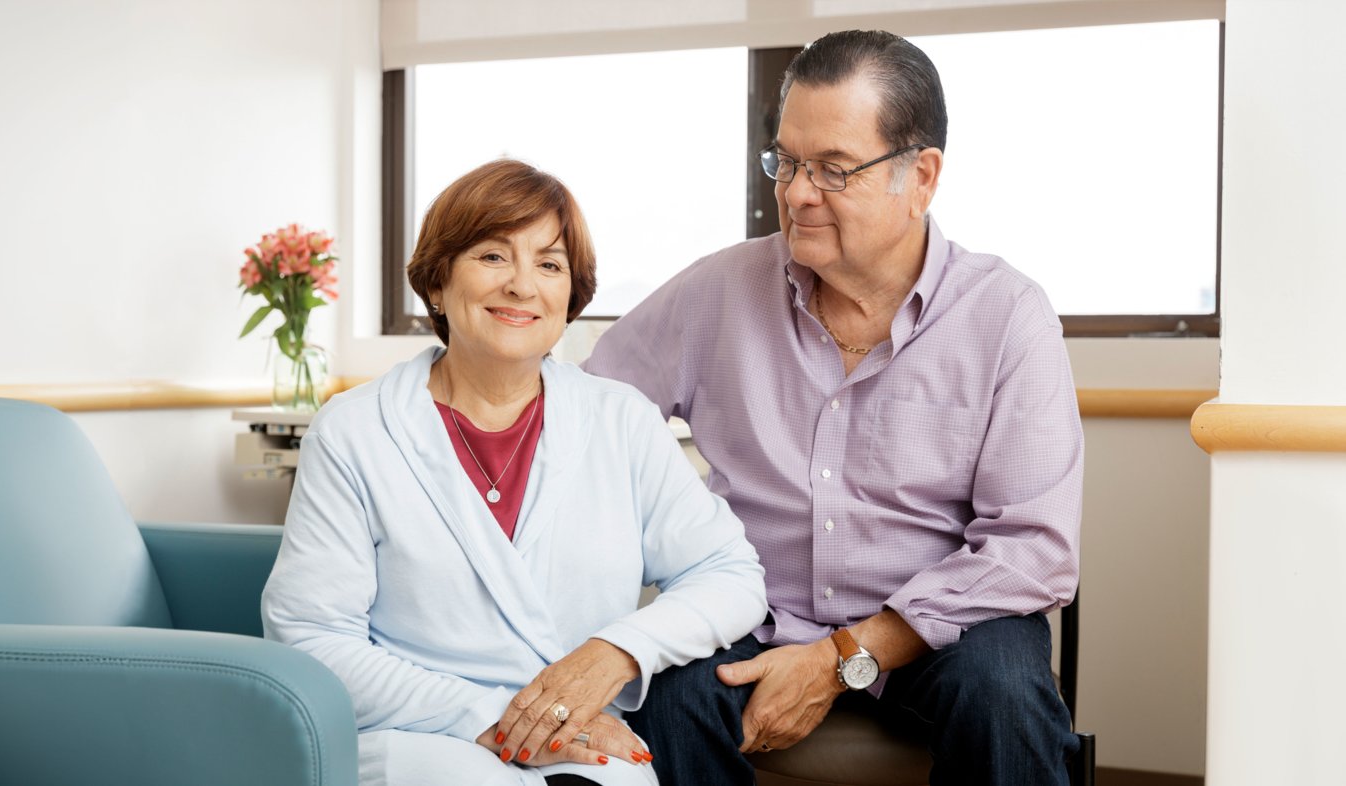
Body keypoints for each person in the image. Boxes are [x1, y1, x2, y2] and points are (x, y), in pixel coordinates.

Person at [584, 29, 1083, 786]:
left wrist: (843, 656)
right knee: (671, 698)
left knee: (1004, 693)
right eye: (784, 162)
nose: (794, 192)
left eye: (832, 168)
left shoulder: (1007, 314)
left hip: (940, 629)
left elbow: (1034, 549)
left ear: (921, 176)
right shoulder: (717, 290)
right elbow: (587, 418)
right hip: (754, 612)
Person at [262, 159, 768, 786]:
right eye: (493, 257)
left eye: (550, 265)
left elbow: (729, 575)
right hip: (418, 735)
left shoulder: (621, 421)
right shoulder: (353, 431)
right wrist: (501, 717)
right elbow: (313, 641)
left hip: (586, 735)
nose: (523, 286)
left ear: (570, 299)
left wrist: (617, 653)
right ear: (438, 284)